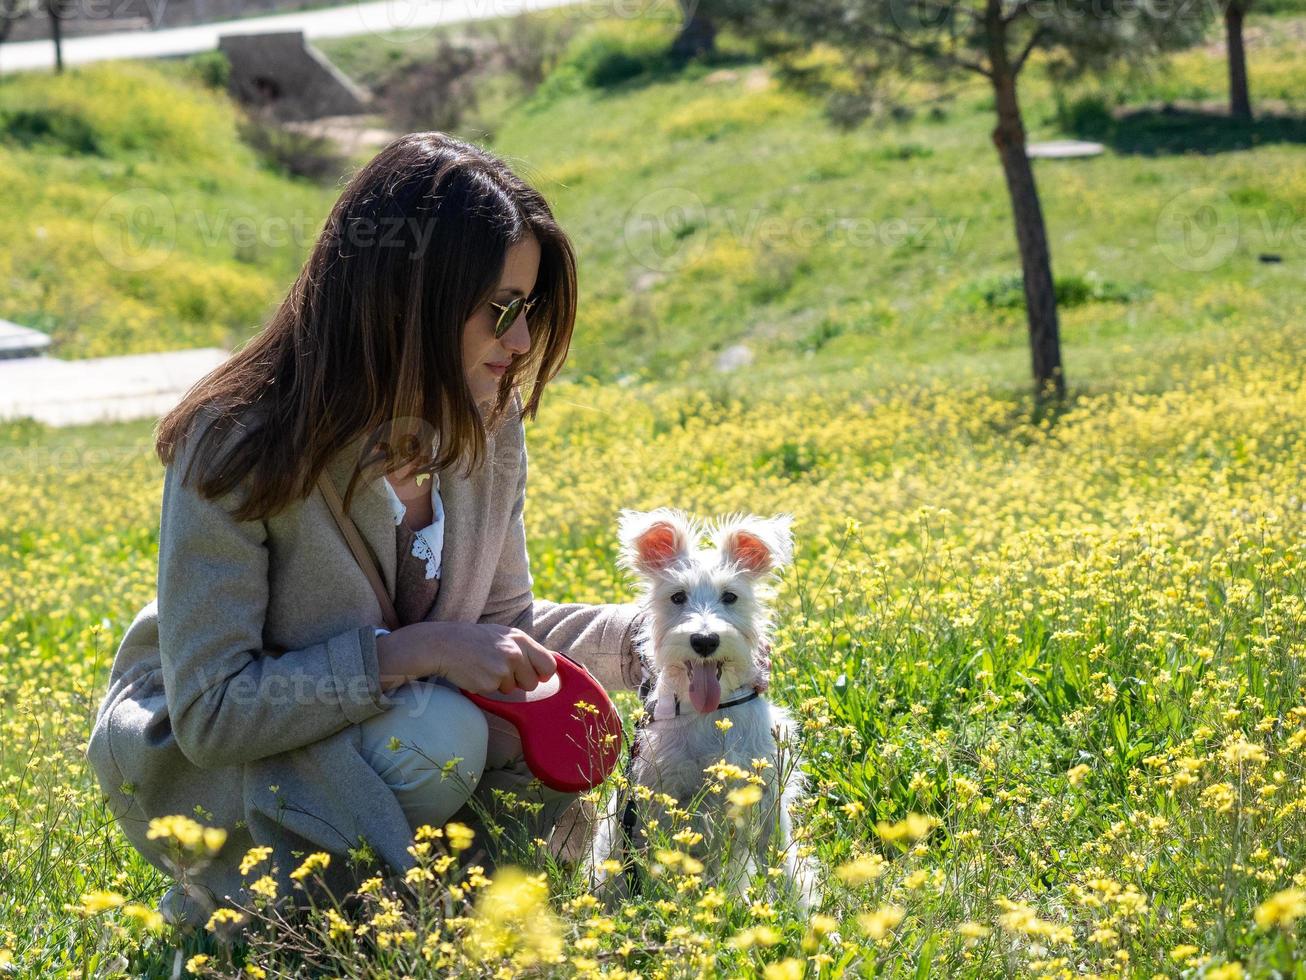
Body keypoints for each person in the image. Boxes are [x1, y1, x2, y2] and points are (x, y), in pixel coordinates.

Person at [85, 132, 649, 929]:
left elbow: (497, 630)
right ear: (407, 300)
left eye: (534, 311)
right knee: (442, 725)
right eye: (504, 311)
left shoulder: (489, 418)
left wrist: (644, 640)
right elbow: (212, 711)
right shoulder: (237, 443)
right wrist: (410, 654)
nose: (521, 343)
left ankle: (408, 910)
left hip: (383, 727)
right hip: (230, 761)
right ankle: (256, 900)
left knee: (504, 728)